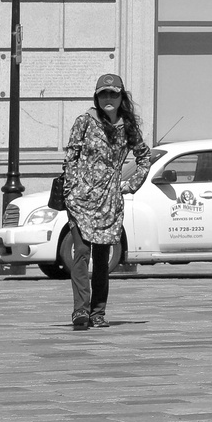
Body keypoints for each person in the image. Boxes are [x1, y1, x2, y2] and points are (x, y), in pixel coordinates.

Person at [63, 73, 151, 330]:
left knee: (102, 258)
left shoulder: (128, 128)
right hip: (80, 199)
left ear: (122, 96)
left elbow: (145, 158)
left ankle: (97, 312)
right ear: (97, 97)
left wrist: (130, 185)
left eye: (113, 93)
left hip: (109, 203)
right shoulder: (85, 122)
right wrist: (70, 190)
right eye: (103, 94)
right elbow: (71, 157)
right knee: (81, 252)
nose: (108, 98)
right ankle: (80, 311)